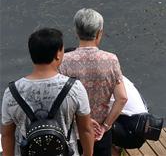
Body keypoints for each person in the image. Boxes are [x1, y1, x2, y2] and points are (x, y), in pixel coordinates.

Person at [1, 28, 94, 156]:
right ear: (58, 54)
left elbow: (7, 135)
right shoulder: (74, 88)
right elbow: (86, 130)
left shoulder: (11, 92)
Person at [59, 8, 127, 156]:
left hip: (73, 132)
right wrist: (105, 126)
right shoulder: (111, 60)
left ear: (77, 32)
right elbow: (122, 98)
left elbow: (60, 101)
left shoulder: (64, 61)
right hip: (99, 133)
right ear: (99, 33)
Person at [109, 76, 149, 149]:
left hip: (132, 136)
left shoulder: (100, 87)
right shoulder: (115, 72)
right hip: (142, 121)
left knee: (92, 123)